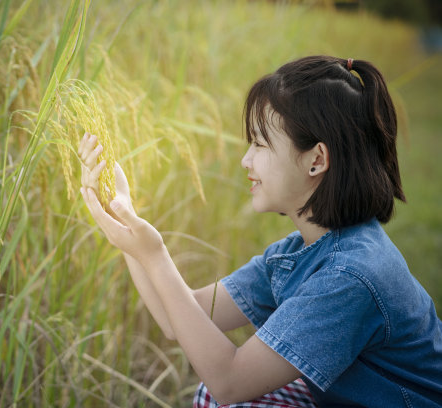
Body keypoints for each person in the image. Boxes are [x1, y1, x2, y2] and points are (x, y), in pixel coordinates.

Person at [77, 55, 442, 407]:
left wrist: (153, 254)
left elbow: (230, 382)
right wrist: (122, 218)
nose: (245, 161)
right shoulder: (301, 252)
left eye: (260, 144)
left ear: (316, 160)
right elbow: (184, 317)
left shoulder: (348, 277)